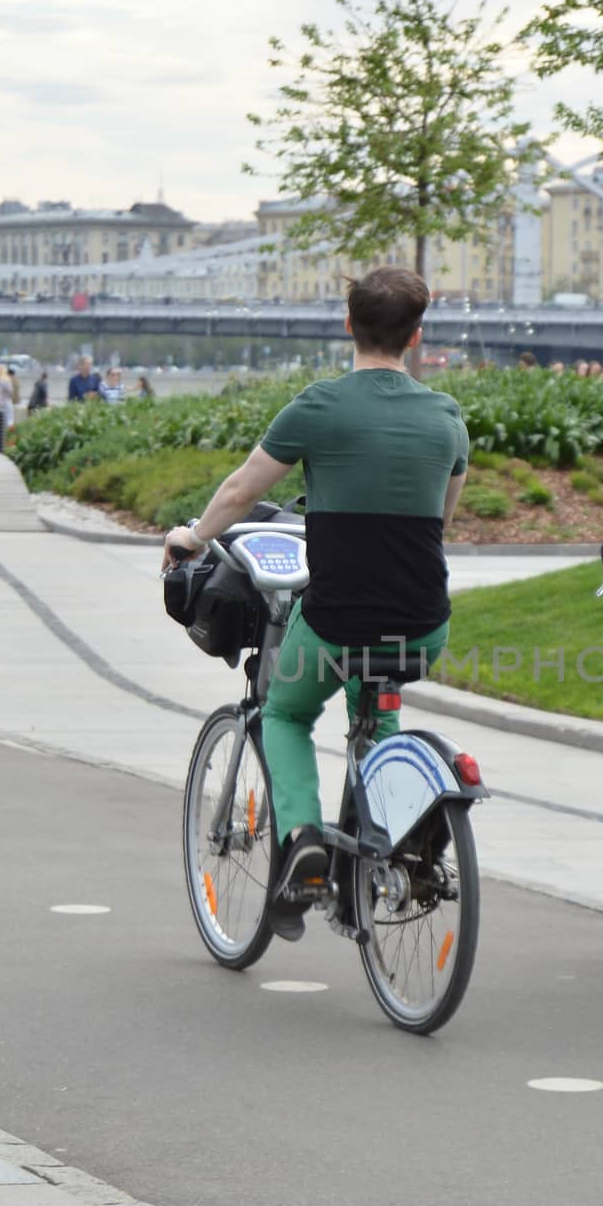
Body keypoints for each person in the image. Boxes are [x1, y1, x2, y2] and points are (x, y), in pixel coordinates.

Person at [161, 265, 467, 942]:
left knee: (287, 712)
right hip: (423, 623)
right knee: (377, 703)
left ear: (347, 324)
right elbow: (442, 517)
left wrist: (192, 535)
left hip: (337, 618)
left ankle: (303, 839)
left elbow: (243, 489)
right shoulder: (446, 416)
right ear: (416, 336)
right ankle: (391, 833)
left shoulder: (319, 405)